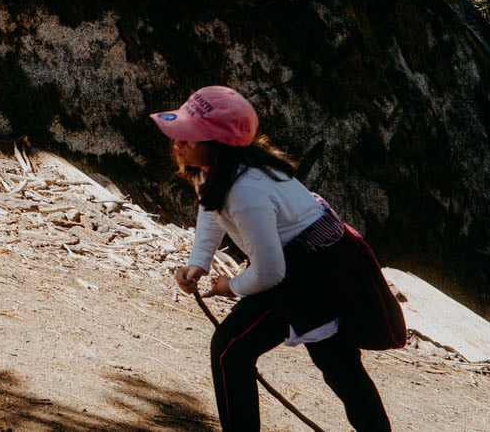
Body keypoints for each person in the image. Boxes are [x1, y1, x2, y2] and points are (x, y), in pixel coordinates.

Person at [156, 85, 401, 432]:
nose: (178, 143)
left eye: (189, 138)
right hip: (309, 262)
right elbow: (210, 209)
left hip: (313, 272)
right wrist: (199, 261)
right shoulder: (217, 169)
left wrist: (232, 286)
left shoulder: (245, 190)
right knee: (338, 363)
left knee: (232, 351)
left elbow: (270, 272)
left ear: (217, 144)